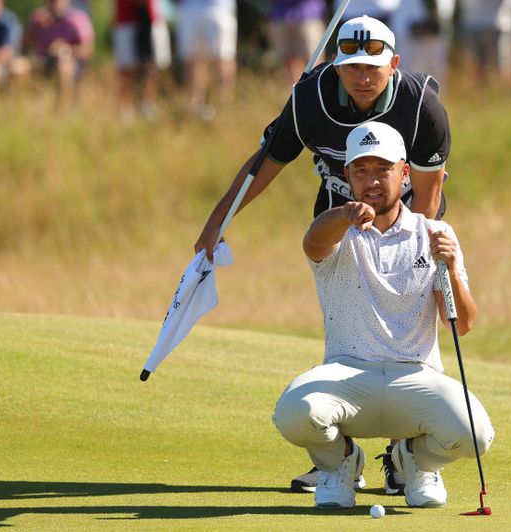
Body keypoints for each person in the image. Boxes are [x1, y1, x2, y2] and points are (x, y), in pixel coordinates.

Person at [194, 16, 453, 495]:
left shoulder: (422, 107)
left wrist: (404, 250)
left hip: (410, 223)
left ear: (393, 64)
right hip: (337, 219)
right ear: (335, 63)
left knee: (401, 331)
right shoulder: (309, 98)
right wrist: (218, 222)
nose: (361, 75)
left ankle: (403, 454)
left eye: (372, 66)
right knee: (348, 330)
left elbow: (429, 199)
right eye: (351, 65)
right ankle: (339, 457)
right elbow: (266, 162)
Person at [272, 121, 494, 509]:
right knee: (294, 412)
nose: (371, 181)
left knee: (476, 435)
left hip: (416, 374)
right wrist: (344, 214)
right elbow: (313, 242)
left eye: (382, 170)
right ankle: (341, 464)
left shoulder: (435, 232)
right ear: (348, 176)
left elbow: (463, 323)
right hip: (347, 374)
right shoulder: (339, 230)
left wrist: (451, 265)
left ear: (404, 172)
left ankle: (413, 463)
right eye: (361, 170)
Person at [23, 0, 95, 107]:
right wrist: (33, 25)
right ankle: (23, 107)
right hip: (43, 60)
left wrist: (65, 49)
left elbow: (88, 49)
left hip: (69, 62)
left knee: (63, 65)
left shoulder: (77, 18)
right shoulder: (39, 18)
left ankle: (62, 111)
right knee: (19, 67)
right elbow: (24, 43)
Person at [175, 0, 237, 121]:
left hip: (218, 7)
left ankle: (224, 106)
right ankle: (195, 108)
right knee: (192, 60)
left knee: (222, 58)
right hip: (188, 8)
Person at [113, 0, 172, 122]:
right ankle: (125, 108)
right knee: (126, 67)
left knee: (152, 65)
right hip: (126, 18)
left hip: (152, 17)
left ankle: (147, 104)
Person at [459, 0, 511, 88]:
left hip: (499, 24)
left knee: (502, 66)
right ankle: (481, 98)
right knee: (476, 67)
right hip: (473, 24)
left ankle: (505, 98)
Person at [269, 0, 327, 84]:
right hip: (280, 14)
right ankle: (296, 93)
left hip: (309, 14)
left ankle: (319, 91)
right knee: (289, 60)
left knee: (314, 60)